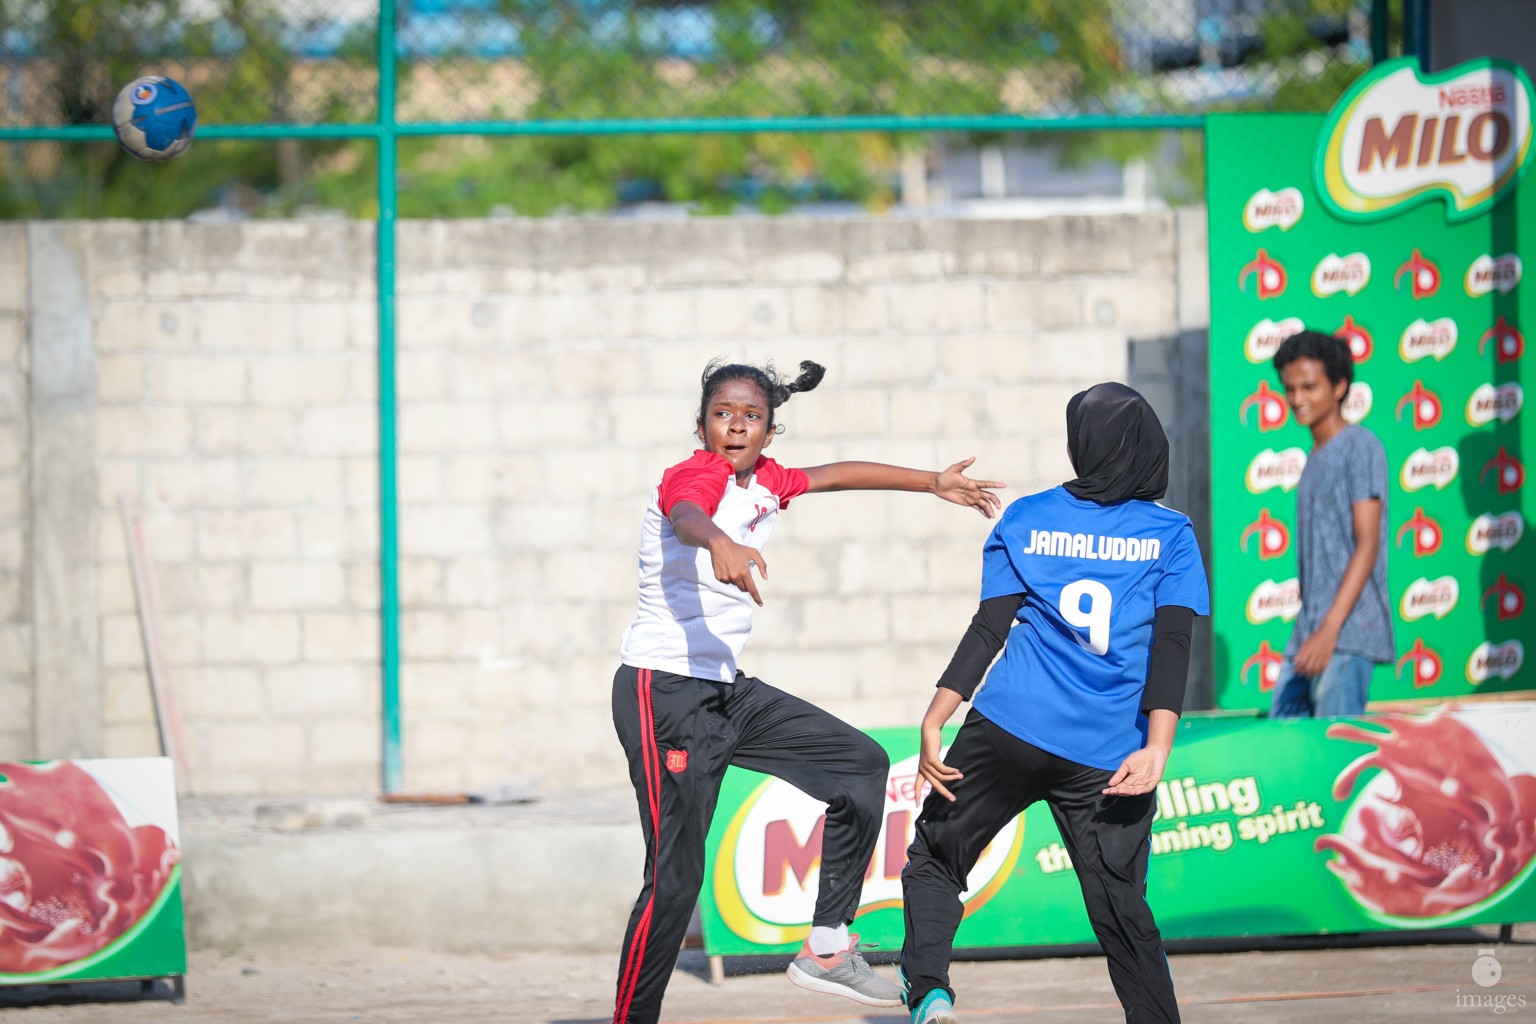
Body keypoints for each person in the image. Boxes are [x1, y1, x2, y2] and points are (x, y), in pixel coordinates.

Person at [610, 358, 1004, 1024]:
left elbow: (837, 475)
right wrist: (717, 543)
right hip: (663, 692)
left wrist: (931, 482)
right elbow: (685, 514)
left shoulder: (768, 479)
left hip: (725, 693)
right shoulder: (694, 475)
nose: (734, 426)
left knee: (860, 765)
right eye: (721, 414)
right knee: (675, 880)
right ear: (701, 423)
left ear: (769, 431)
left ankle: (826, 948)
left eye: (751, 417)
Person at [899, 382, 1209, 1024]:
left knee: (935, 856)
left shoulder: (1026, 516)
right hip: (1107, 753)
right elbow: (1172, 647)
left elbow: (990, 627)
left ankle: (929, 991)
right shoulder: (1172, 534)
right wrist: (1157, 748)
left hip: (1008, 726)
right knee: (1122, 910)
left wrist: (937, 715)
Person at [1268, 330, 1392, 718]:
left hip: (1345, 633)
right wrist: (1315, 630)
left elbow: (1367, 543)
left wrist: (1330, 630)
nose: (1297, 399)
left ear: (1339, 386)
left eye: (1309, 386)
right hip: (1311, 632)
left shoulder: (1360, 445)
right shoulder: (1314, 457)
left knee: (1333, 758)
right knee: (1286, 744)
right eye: (1289, 388)